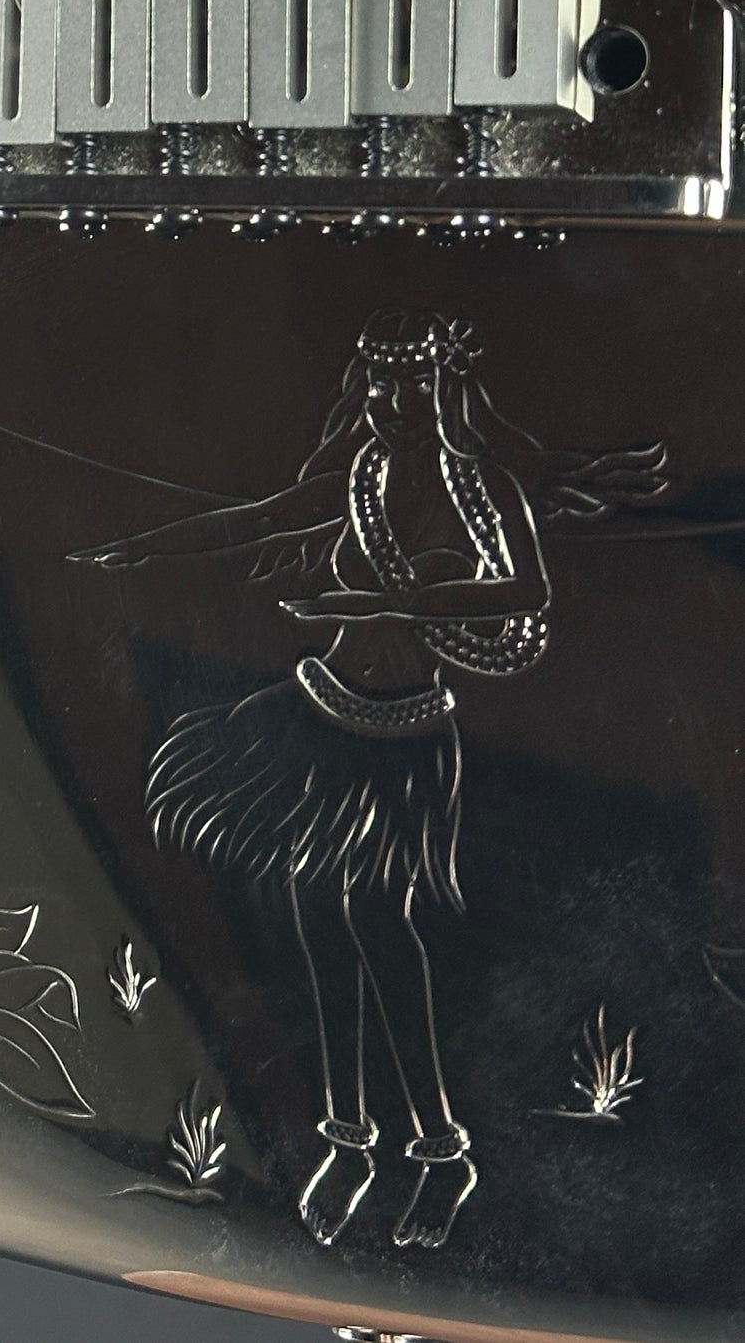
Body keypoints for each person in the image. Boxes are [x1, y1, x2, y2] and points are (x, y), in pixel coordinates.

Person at [75, 309, 664, 1251]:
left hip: (403, 739)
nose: (391, 404)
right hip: (322, 714)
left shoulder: (483, 490)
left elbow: (523, 595)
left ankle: (438, 1149)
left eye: (412, 386)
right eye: (380, 385)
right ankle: (349, 1141)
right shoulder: (360, 474)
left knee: (384, 932)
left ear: (446, 391)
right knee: (316, 927)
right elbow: (266, 519)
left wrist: (388, 600)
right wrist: (148, 548)